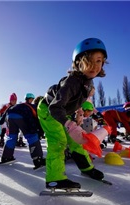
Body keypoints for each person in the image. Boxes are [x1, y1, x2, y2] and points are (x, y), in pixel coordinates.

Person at [37, 38, 108, 190]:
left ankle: (86, 167)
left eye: (98, 61)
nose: (93, 66)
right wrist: (69, 125)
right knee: (59, 141)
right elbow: (55, 108)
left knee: (77, 140)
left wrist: (79, 112)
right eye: (87, 61)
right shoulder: (72, 82)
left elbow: (76, 100)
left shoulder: (88, 82)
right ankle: (54, 179)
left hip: (64, 111)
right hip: (49, 109)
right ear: (77, 64)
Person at [0, 95, 45, 170]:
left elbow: (9, 109)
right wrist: (39, 133)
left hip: (11, 114)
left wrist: (2, 119)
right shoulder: (36, 107)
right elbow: (37, 122)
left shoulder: (23, 105)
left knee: (12, 136)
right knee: (32, 136)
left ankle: (6, 157)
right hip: (21, 115)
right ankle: (38, 160)